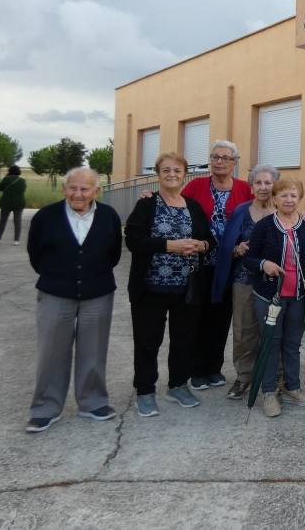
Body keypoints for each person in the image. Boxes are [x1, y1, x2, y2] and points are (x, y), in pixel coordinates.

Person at [24, 167, 122, 433]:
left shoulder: (109, 216)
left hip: (98, 293)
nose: (78, 194)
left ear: (96, 191)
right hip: (55, 293)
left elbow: (113, 255)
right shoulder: (46, 217)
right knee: (51, 353)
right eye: (73, 188)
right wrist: (58, 276)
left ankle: (93, 402)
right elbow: (36, 254)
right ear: (64, 189)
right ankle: (45, 408)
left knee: (94, 350)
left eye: (85, 189)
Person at [125, 152, 214, 416]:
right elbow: (133, 239)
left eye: (177, 170)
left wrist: (202, 245)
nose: (172, 174)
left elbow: (209, 239)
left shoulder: (193, 205)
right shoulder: (147, 204)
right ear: (158, 174)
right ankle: (145, 391)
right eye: (166, 170)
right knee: (147, 341)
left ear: (184, 174)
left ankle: (177, 385)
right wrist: (168, 246)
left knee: (184, 340)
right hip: (151, 287)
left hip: (187, 288)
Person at [245, 177, 305, 417]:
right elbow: (249, 259)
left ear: (299, 198)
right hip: (269, 296)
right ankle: (269, 392)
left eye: (293, 195)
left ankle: (292, 387)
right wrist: (263, 263)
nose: (288, 199)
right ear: (275, 199)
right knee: (270, 344)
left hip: (300, 296)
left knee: (292, 345)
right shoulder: (264, 226)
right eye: (283, 195)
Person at [180, 140, 253, 391]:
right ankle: (196, 370)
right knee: (198, 317)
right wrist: (150, 197)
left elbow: (262, 212)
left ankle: (214, 368)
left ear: (235, 163)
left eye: (225, 158)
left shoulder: (245, 189)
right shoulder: (196, 185)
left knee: (222, 318)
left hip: (231, 264)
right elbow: (174, 205)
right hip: (199, 263)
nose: (219, 162)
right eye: (215, 157)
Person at [211, 163, 280, 400]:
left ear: (275, 185)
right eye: (258, 182)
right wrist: (236, 249)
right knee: (243, 331)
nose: (263, 187)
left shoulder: (283, 209)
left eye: (268, 182)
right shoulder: (241, 210)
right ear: (251, 186)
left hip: (275, 282)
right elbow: (226, 246)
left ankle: (275, 377)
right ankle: (244, 378)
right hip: (244, 279)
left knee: (274, 331)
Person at [0, 164, 27, 245]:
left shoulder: (6, 179)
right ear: (19, 171)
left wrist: (6, 177)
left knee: (3, 221)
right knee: (17, 221)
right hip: (19, 202)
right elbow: (23, 190)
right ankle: (16, 241)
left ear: (9, 171)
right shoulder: (22, 180)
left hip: (6, 203)